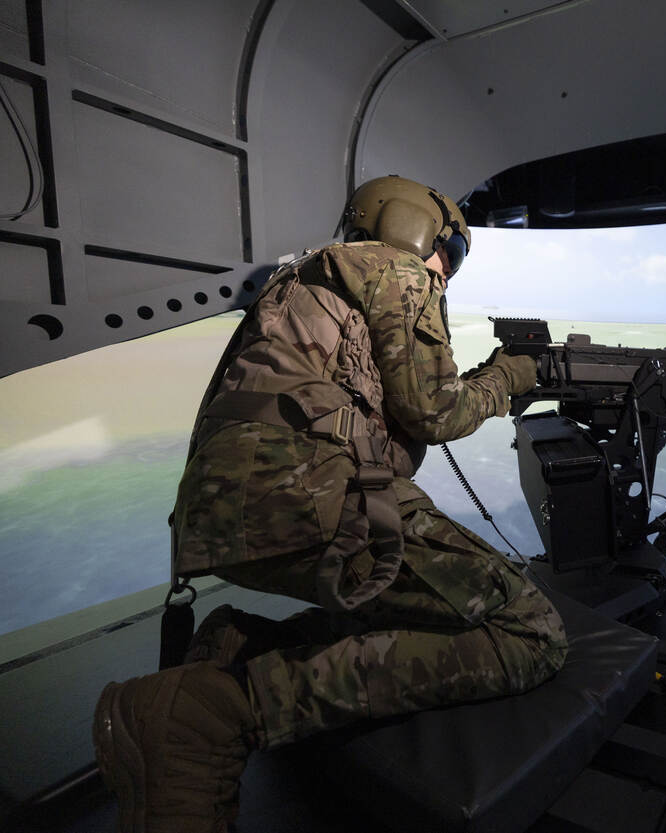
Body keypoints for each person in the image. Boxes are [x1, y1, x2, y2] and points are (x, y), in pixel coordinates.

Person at [91, 175, 568, 832]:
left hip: (228, 505)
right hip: (304, 489)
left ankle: (240, 652)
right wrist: (509, 375)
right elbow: (436, 410)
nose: (447, 272)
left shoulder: (303, 285)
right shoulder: (395, 270)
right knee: (528, 628)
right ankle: (225, 707)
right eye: (451, 252)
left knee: (426, 604)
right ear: (412, 228)